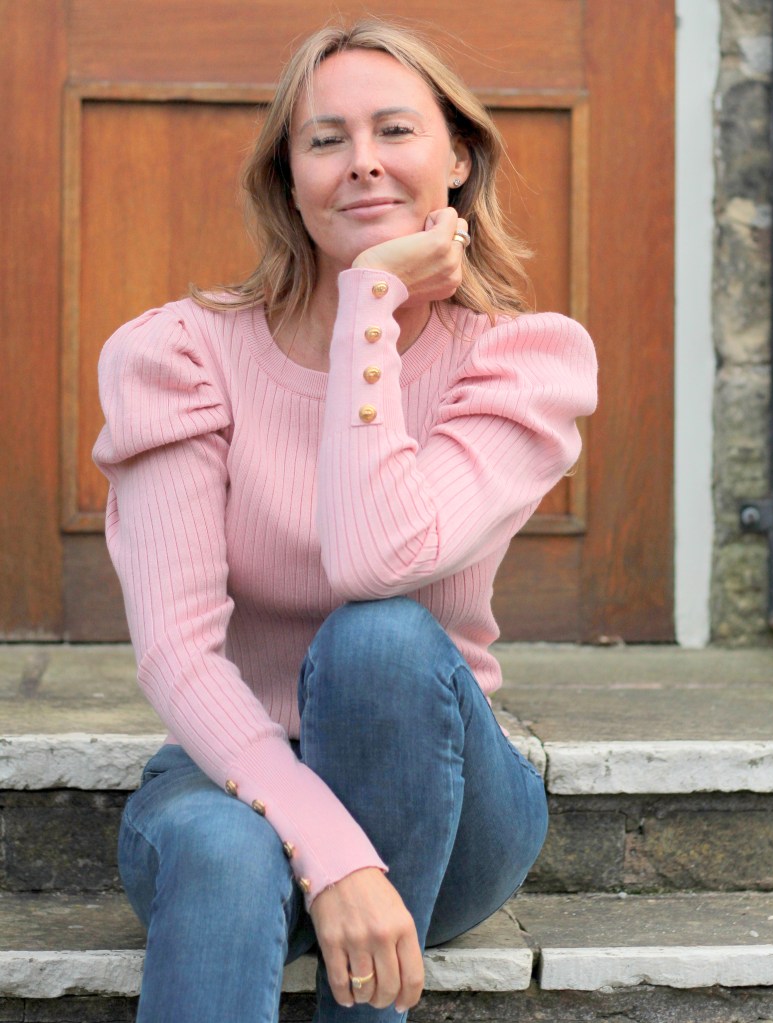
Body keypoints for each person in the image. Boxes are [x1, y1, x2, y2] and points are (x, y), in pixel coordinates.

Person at [93, 19, 597, 1023]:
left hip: (449, 802)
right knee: (223, 849)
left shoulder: (519, 362)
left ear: (457, 157)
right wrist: (332, 853)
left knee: (379, 638)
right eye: (325, 140)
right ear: (289, 180)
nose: (362, 162)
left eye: (394, 131)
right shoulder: (178, 355)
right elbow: (178, 655)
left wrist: (367, 307)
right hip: (235, 773)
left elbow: (377, 559)